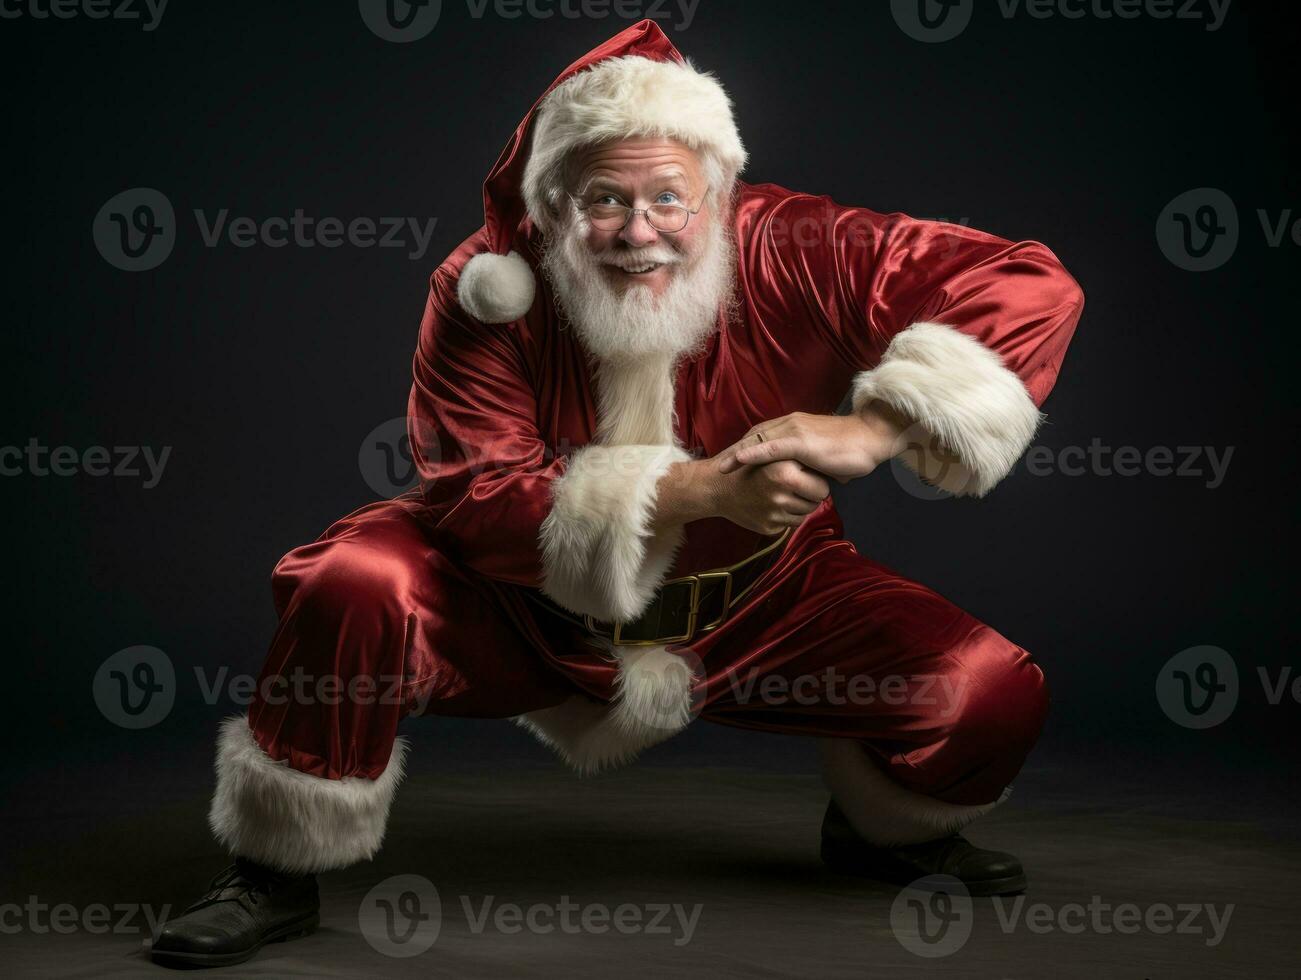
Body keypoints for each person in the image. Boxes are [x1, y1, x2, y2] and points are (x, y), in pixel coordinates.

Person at [151, 20, 1083, 967]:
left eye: (668, 198)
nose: (639, 233)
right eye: (604, 199)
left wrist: (874, 426)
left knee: (989, 692)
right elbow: (477, 496)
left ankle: (885, 830)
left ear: (715, 194)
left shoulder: (796, 244)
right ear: (554, 205)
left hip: (764, 606)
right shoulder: (483, 293)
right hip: (525, 614)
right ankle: (271, 870)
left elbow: (1022, 281)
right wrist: (693, 491)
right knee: (354, 577)